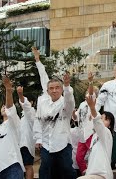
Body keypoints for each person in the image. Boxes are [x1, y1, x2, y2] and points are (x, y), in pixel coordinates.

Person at [32, 47, 76, 179]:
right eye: (51, 88)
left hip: (63, 143)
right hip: (46, 143)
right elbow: (38, 121)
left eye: (57, 88)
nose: (54, 90)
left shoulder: (65, 103)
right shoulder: (43, 102)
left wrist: (67, 86)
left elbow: (70, 101)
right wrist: (38, 138)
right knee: (45, 171)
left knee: (66, 170)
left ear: (61, 89)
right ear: (47, 90)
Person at [0, 76, 25, 179]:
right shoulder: (0, 128)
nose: (4, 107)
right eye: (2, 107)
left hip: (12, 167)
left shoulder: (14, 122)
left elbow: (10, 108)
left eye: (5, 106)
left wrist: (8, 91)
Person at [78, 92, 114, 179]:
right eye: (101, 117)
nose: (102, 120)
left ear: (110, 125)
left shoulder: (107, 133)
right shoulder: (94, 136)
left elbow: (97, 122)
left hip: (102, 174)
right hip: (93, 174)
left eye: (105, 119)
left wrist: (92, 108)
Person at [17, 86, 36, 179]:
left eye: (26, 100)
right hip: (22, 143)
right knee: (25, 166)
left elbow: (26, 106)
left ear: (31, 102)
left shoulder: (31, 112)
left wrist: (20, 95)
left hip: (27, 144)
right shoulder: (23, 114)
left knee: (28, 166)